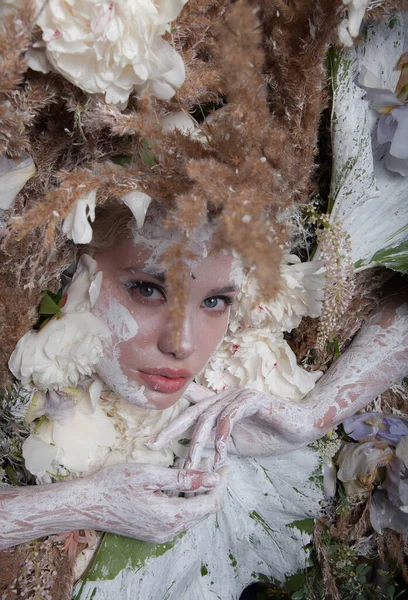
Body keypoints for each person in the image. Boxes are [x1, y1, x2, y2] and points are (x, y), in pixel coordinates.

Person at [1, 202, 407, 599]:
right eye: (147, 289)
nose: (183, 344)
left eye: (215, 301)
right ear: (73, 264)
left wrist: (315, 415)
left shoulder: (249, 349)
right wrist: (80, 503)